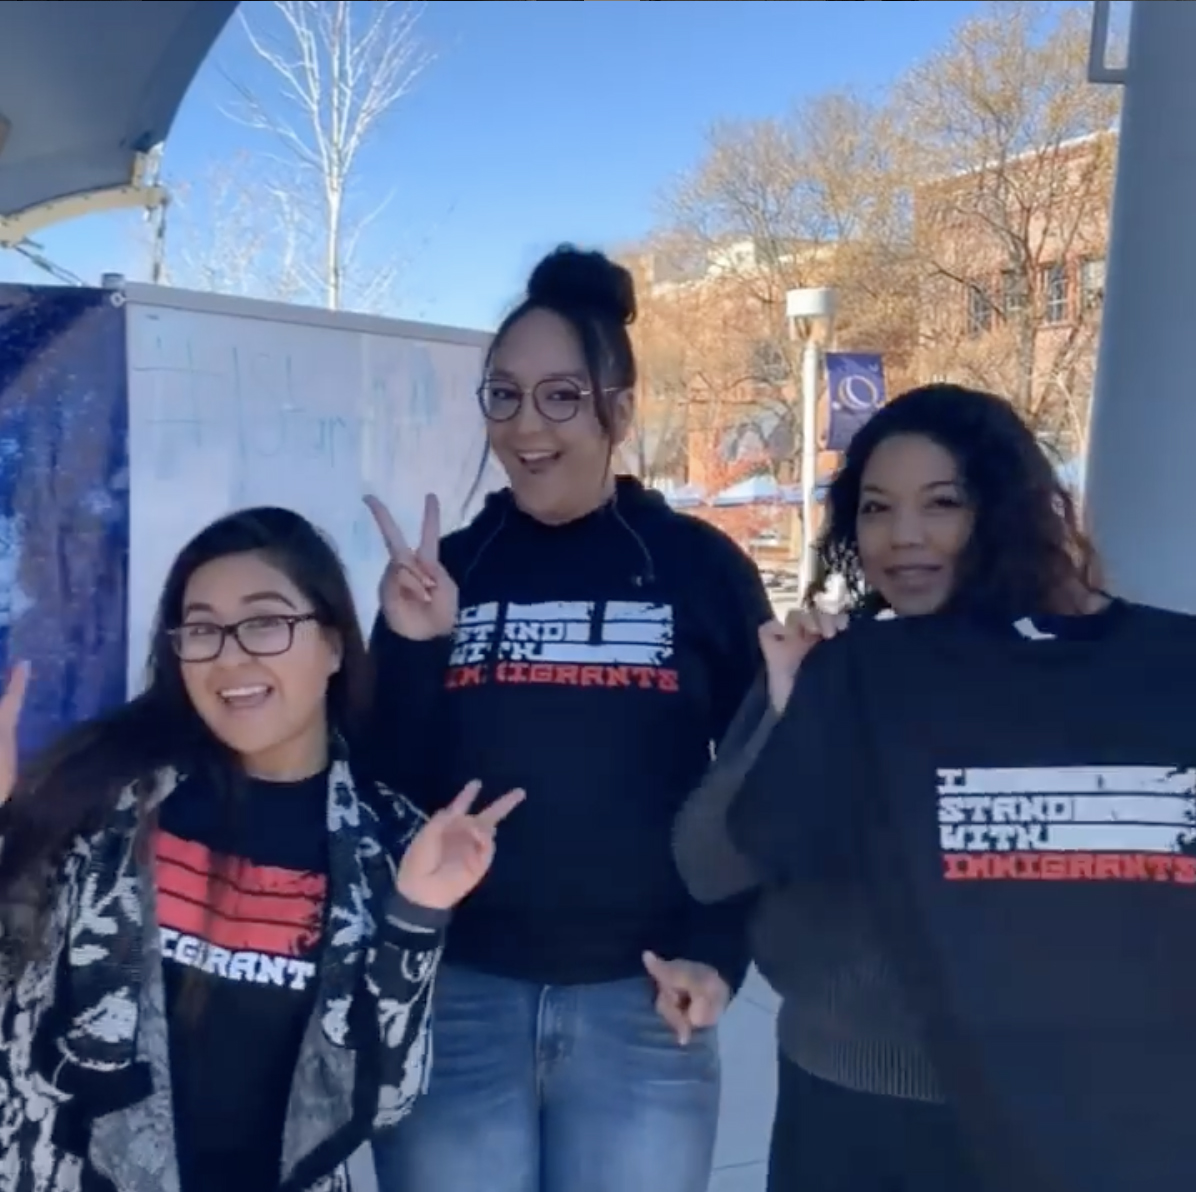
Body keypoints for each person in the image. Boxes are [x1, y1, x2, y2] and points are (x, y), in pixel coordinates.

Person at [368, 245, 773, 1192]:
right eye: (502, 396)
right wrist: (416, 644)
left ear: (620, 411)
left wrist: (719, 955)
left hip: (644, 1001)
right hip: (456, 995)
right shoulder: (448, 570)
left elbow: (757, 783)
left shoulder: (699, 569)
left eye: (560, 396)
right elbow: (386, 790)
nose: (525, 426)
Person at [0, 506, 522, 1192]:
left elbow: (386, 1096)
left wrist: (416, 917)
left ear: (334, 644)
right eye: (202, 629)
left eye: (265, 621)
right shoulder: (107, 800)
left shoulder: (384, 843)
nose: (230, 654)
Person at [673, 384, 1101, 1191]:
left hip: (1029, 1107)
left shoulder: (1082, 677)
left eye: (942, 503)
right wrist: (787, 710)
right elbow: (707, 862)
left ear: (1004, 511)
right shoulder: (833, 670)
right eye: (876, 508)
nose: (904, 537)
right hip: (837, 1102)